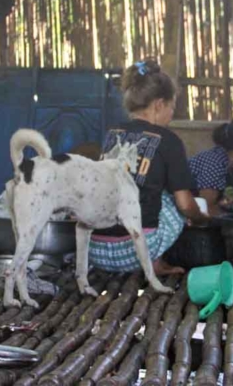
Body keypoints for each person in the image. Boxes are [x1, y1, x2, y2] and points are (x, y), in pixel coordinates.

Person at [88, 59, 209, 275]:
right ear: (159, 105)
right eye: (172, 107)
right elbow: (184, 204)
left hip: (96, 251)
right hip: (134, 253)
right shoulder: (168, 140)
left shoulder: (112, 134)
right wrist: (200, 217)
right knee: (172, 199)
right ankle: (155, 264)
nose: (171, 115)